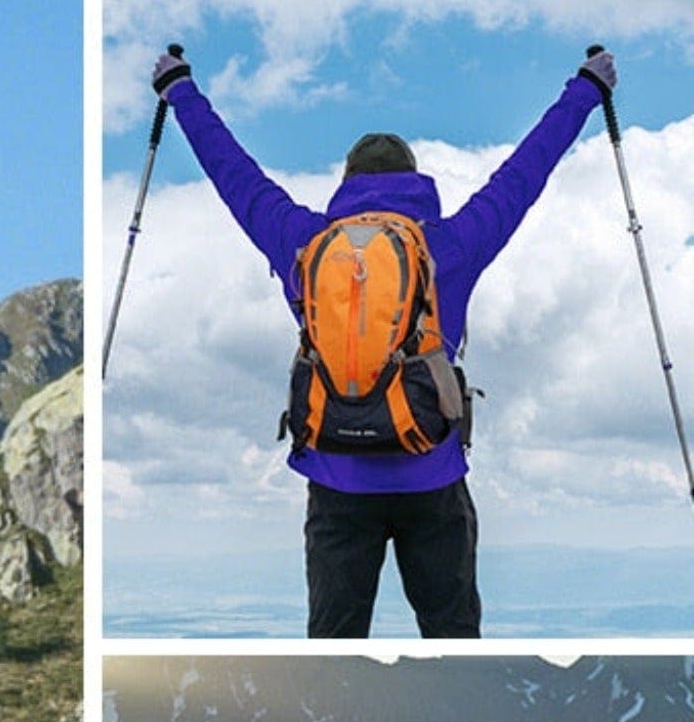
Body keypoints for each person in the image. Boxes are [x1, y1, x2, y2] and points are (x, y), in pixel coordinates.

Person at [150, 46, 616, 638]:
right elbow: (526, 171)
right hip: (432, 474)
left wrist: (179, 88)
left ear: (346, 186)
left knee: (334, 649)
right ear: (416, 182)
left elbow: (233, 173)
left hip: (336, 479)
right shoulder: (449, 245)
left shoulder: (304, 242)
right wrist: (586, 89)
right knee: (452, 641)